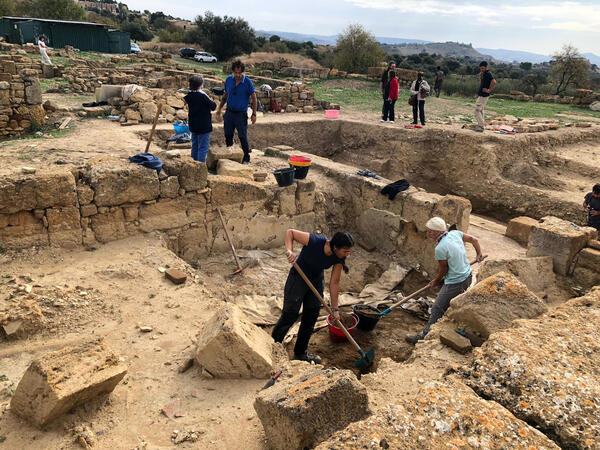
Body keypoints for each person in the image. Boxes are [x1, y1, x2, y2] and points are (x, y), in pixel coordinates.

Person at [272, 229, 355, 363]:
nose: (348, 254)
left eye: (349, 251)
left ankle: (300, 353)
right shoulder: (316, 241)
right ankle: (273, 348)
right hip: (298, 277)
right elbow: (290, 233)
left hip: (316, 280)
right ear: (335, 247)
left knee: (311, 315)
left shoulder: (340, 257)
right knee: (290, 314)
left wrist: (335, 309)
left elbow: (334, 282)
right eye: (346, 251)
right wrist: (289, 250)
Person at [405, 217, 483, 344]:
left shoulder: (440, 248)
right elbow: (474, 240)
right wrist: (479, 254)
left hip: (455, 281)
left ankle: (424, 336)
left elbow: (444, 269)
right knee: (449, 305)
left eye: (430, 231)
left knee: (436, 308)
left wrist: (435, 281)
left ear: (437, 232)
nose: (428, 233)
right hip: (468, 275)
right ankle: (443, 325)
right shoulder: (455, 233)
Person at [216, 60, 257, 164]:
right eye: (236, 73)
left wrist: (254, 114)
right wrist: (219, 109)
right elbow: (225, 96)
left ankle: (246, 157)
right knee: (228, 134)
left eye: (240, 73)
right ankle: (231, 155)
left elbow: (254, 98)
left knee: (242, 136)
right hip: (229, 113)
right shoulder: (229, 80)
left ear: (242, 72)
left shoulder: (248, 82)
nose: (238, 75)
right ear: (233, 72)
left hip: (241, 114)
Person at [184, 76, 216, 163]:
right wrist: (208, 97)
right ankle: (200, 168)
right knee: (203, 148)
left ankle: (193, 166)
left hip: (193, 126)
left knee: (195, 146)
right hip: (203, 126)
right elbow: (213, 106)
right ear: (201, 85)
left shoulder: (189, 96)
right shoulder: (202, 96)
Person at [474, 61, 496, 132]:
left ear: (486, 67)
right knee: (481, 110)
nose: (482, 70)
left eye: (483, 68)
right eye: (481, 68)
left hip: (484, 95)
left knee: (477, 110)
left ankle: (481, 126)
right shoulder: (484, 73)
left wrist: (489, 90)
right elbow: (482, 83)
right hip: (481, 94)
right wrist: (480, 77)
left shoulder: (489, 73)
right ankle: (481, 125)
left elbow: (494, 82)